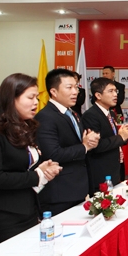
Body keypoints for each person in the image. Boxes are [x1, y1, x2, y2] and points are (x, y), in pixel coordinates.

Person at [0, 74, 62, 252]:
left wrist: (42, 169)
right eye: (30, 97)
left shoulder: (25, 128)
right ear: (11, 98)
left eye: (37, 97)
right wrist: (36, 176)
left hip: (28, 209)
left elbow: (22, 165)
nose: (36, 103)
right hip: (1, 217)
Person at [36, 69, 100, 216]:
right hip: (59, 192)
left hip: (77, 188)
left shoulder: (73, 113)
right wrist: (84, 147)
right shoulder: (46, 117)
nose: (75, 92)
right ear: (53, 91)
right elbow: (53, 154)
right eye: (69, 87)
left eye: (76, 87)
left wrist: (90, 142)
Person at [83, 77, 128, 193]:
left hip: (114, 169)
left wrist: (125, 135)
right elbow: (96, 146)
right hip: (101, 173)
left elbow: (115, 138)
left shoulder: (110, 114)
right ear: (98, 95)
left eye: (116, 91)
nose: (115, 94)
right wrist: (121, 137)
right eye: (110, 91)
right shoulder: (91, 115)